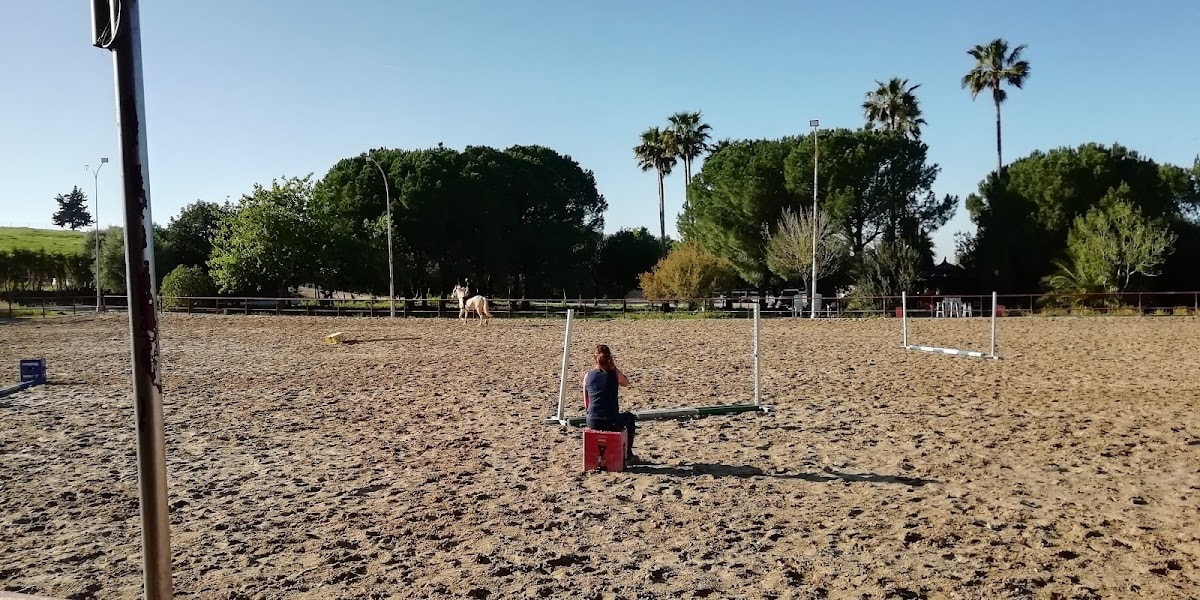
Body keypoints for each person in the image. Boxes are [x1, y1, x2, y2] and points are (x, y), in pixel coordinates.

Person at [583, 343, 637, 463]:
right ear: (609, 358)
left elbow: (586, 403)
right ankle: (628, 453)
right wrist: (614, 367)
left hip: (593, 421)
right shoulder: (614, 374)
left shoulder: (588, 376)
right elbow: (626, 383)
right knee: (630, 418)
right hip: (611, 421)